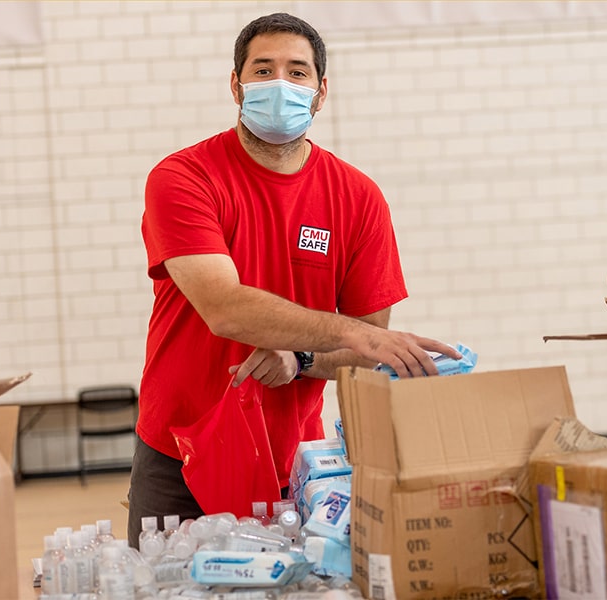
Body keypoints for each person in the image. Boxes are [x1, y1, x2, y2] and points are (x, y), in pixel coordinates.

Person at [129, 12, 460, 547]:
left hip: (296, 460)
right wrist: (355, 334)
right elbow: (224, 307)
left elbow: (363, 341)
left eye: (297, 71)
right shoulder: (184, 178)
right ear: (236, 85)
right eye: (262, 70)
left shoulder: (357, 197)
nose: (279, 83)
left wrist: (304, 359)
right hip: (180, 451)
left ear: (321, 91)